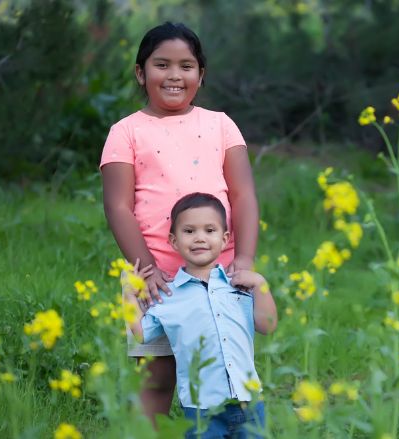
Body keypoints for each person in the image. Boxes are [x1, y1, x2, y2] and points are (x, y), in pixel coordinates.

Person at [100, 21, 259, 422]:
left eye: (186, 66)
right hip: (156, 280)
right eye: (161, 64)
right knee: (156, 378)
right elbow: (118, 206)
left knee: (221, 376)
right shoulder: (125, 132)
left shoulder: (220, 124)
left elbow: (243, 196)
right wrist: (147, 270)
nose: (174, 75)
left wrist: (244, 260)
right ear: (141, 72)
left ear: (201, 75)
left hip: (217, 277)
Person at [123, 192, 277, 438]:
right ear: (173, 241)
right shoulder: (168, 296)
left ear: (225, 238)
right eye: (189, 231)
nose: (200, 239)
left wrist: (260, 283)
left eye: (209, 230)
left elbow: (267, 325)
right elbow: (142, 334)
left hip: (249, 400)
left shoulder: (239, 286)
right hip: (201, 409)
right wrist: (130, 297)